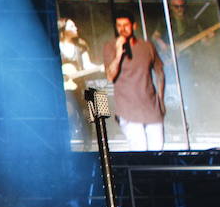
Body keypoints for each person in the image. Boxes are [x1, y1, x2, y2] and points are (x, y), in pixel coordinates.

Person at [102, 11, 165, 151]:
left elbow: (160, 72)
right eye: (119, 26)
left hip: (151, 107)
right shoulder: (110, 46)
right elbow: (110, 77)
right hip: (128, 109)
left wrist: (161, 100)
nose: (122, 29)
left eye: (126, 25)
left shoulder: (147, 46)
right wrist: (118, 54)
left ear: (134, 26)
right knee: (140, 149)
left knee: (158, 150)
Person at [58, 17, 102, 147]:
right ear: (63, 30)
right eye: (71, 27)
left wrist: (99, 67)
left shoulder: (80, 45)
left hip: (78, 87)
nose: (76, 28)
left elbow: (87, 65)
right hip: (62, 89)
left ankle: (87, 145)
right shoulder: (55, 45)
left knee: (85, 114)